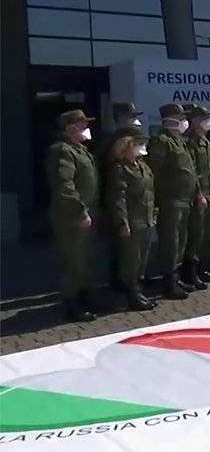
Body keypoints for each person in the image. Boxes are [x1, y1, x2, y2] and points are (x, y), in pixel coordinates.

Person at [46, 109, 101, 321]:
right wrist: (79, 211)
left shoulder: (79, 149)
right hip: (71, 216)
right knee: (73, 261)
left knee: (85, 258)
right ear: (71, 128)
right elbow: (65, 186)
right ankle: (71, 304)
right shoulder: (62, 151)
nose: (86, 129)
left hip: (86, 214)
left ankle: (85, 298)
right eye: (82, 125)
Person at [147, 104, 197, 299]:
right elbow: (155, 172)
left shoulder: (180, 141)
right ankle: (168, 282)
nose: (184, 121)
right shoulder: (161, 142)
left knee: (181, 240)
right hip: (170, 201)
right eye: (180, 117)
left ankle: (176, 277)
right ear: (169, 120)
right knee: (171, 242)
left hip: (184, 200)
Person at [105, 128, 156, 311]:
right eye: (137, 143)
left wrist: (154, 214)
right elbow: (118, 198)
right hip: (133, 220)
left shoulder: (142, 166)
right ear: (126, 145)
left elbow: (150, 191)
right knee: (131, 260)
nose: (141, 147)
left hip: (146, 218)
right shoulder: (119, 169)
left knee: (142, 258)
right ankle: (132, 294)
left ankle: (138, 290)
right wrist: (122, 222)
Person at [182, 106, 210, 288]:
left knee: (204, 233)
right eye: (203, 118)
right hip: (197, 196)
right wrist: (199, 194)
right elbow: (193, 172)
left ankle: (202, 268)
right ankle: (190, 272)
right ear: (194, 120)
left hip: (208, 193)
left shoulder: (205, 141)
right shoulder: (190, 142)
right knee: (195, 234)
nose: (207, 121)